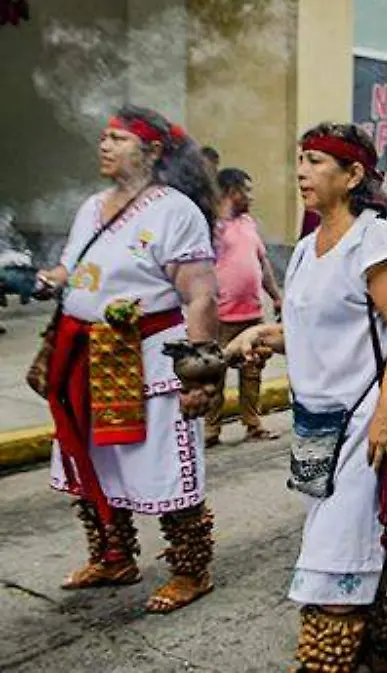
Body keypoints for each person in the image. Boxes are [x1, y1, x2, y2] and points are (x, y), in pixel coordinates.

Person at [225, 122, 387, 670]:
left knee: (335, 557)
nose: (302, 171)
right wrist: (262, 335)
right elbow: (322, 331)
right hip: (318, 426)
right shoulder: (310, 248)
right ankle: (377, 654)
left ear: (354, 174)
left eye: (316, 161)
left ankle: (332, 658)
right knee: (359, 547)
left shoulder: (376, 237)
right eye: (301, 160)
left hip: (367, 425)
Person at [33, 105, 223, 613]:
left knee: (162, 468)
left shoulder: (173, 209)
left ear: (153, 151)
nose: (105, 145)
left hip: (152, 363)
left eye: (118, 138)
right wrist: (54, 278)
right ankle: (112, 556)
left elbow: (201, 296)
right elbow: (77, 270)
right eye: (104, 137)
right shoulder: (92, 206)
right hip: (87, 359)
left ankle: (190, 570)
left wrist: (201, 375)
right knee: (93, 460)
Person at [205, 167, 283, 448]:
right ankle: (210, 430)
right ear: (231, 192)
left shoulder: (249, 223)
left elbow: (261, 264)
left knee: (252, 373)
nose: (251, 196)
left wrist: (275, 296)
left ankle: (253, 424)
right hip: (221, 317)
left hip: (251, 314)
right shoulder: (212, 226)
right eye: (246, 190)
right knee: (215, 372)